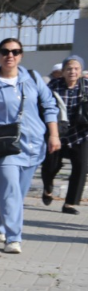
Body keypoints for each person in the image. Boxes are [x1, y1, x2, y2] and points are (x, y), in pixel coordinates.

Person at [0, 38, 60, 254]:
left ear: (21, 55)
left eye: (15, 51)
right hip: (3, 148)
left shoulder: (32, 78)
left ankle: (1, 224)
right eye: (5, 51)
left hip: (33, 146)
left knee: (15, 194)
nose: (10, 56)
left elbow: (50, 105)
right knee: (11, 191)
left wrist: (54, 134)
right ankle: (14, 238)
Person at [40, 55, 88, 214]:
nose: (72, 72)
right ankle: (48, 188)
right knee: (50, 166)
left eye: (76, 69)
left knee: (81, 167)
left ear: (81, 71)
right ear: (63, 71)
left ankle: (70, 204)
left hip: (80, 133)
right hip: (57, 133)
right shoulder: (54, 85)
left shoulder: (86, 85)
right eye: (69, 69)